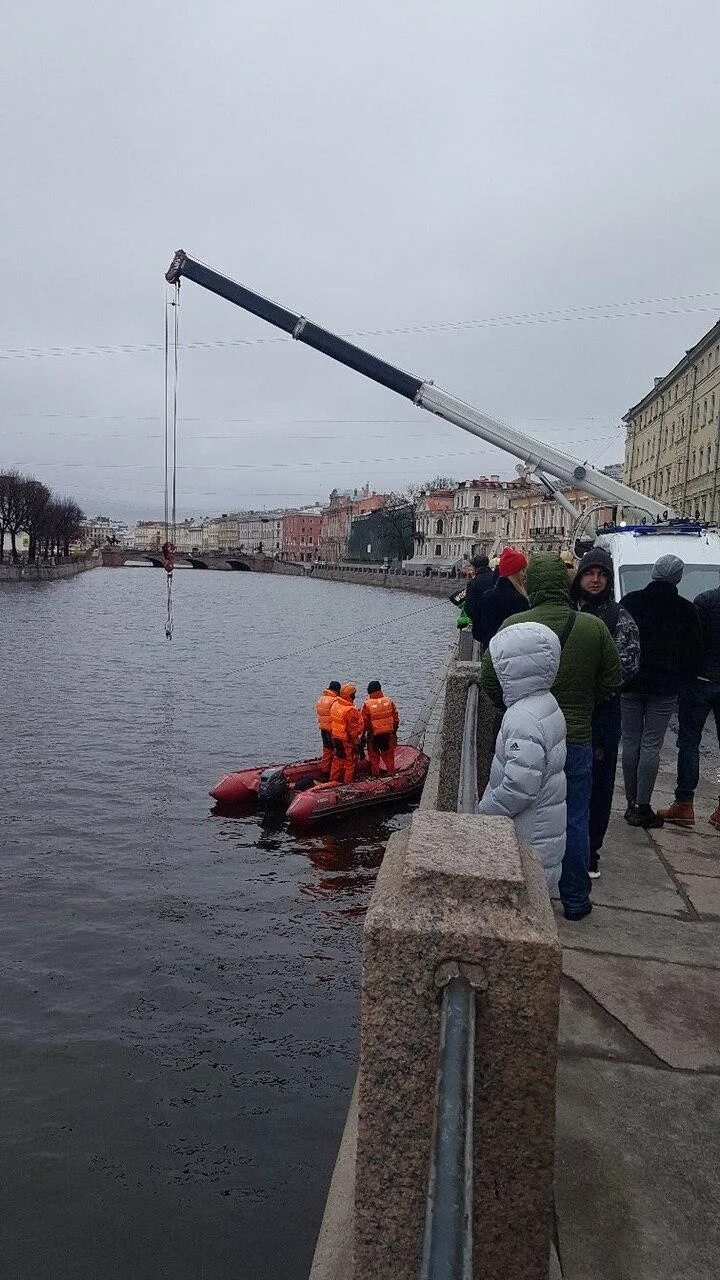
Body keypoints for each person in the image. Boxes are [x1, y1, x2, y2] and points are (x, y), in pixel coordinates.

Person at [481, 554, 621, 921]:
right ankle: (575, 898)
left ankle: (523, 895)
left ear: (531, 584)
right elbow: (613, 680)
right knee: (574, 817)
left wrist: (516, 704)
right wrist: (585, 701)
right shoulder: (593, 627)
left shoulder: (514, 625)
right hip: (575, 735)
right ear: (565, 583)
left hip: (527, 735)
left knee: (528, 819)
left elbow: (491, 682)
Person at [478, 622, 567, 894]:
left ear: (514, 667)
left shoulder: (522, 719)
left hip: (525, 838)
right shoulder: (546, 702)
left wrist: (484, 810)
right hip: (543, 832)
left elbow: (519, 787)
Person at [570, 548, 640, 876]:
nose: (595, 579)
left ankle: (590, 850)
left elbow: (628, 666)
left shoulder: (618, 616)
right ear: (580, 577)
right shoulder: (569, 610)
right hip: (568, 709)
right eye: (589, 573)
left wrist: (593, 690)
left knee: (599, 781)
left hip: (602, 713)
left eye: (601, 574)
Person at [621, 554, 703, 828]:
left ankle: (630, 802)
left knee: (631, 742)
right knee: (651, 745)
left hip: (631, 683)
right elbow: (693, 653)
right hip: (665, 687)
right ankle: (644, 805)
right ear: (678, 578)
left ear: (654, 573)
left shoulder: (631, 601)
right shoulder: (685, 610)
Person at [659, 576, 720, 830]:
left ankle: (684, 803)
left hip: (701, 679)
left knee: (689, 741)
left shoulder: (705, 601)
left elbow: (691, 643)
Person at [478, 547, 530, 647]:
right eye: (522, 570)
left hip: (491, 652)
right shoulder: (519, 600)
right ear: (515, 573)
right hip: (512, 652)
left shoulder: (487, 596)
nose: (524, 575)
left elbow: (482, 630)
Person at [362, 680, 400, 777]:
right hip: (388, 734)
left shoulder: (367, 704)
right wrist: (394, 731)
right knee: (388, 756)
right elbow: (395, 719)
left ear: (369, 691)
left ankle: (376, 776)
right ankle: (391, 774)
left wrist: (364, 734)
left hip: (373, 735)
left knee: (374, 757)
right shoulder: (389, 701)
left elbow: (364, 723)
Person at [329, 683, 364, 784]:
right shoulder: (350, 710)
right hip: (346, 740)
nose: (354, 696)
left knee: (338, 759)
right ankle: (347, 784)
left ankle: (333, 781)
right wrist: (358, 745)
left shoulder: (335, 704)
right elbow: (353, 731)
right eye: (353, 694)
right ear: (350, 696)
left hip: (336, 737)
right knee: (350, 762)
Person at [463, 554, 495, 644]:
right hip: (498, 625)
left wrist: (477, 620)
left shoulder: (473, 583)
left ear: (475, 567)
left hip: (482, 628)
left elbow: (468, 608)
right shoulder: (496, 578)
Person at [315, 681, 342, 776]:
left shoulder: (321, 699)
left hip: (323, 728)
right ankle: (334, 774)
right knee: (336, 751)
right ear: (338, 690)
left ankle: (325, 772)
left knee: (327, 749)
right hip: (333, 730)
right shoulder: (335, 701)